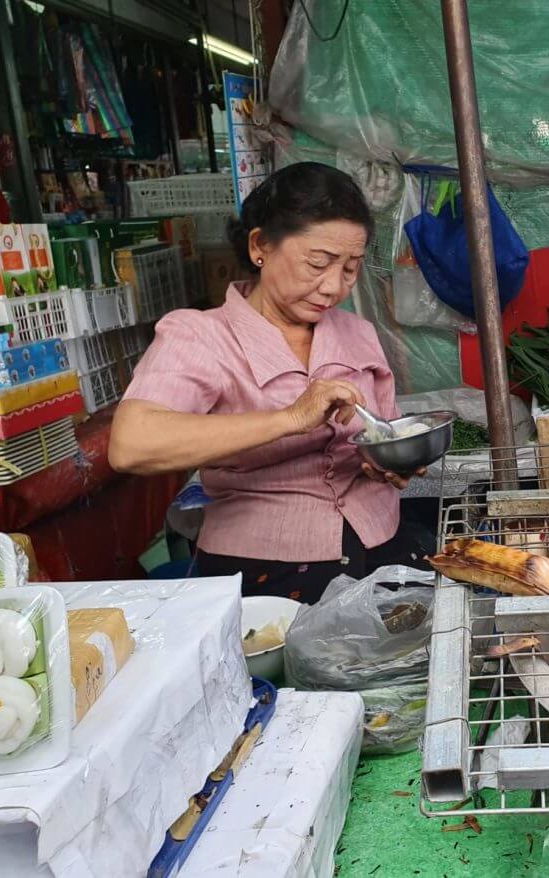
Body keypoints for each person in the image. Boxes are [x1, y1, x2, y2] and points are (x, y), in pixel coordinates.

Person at [109, 162, 431, 603]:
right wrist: (291, 417)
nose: (333, 286)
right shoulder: (201, 335)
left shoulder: (358, 333)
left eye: (351, 269)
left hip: (380, 550)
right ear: (260, 245)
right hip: (264, 577)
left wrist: (385, 460)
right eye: (318, 263)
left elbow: (384, 430)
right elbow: (131, 444)